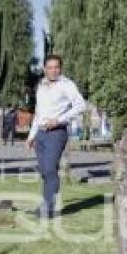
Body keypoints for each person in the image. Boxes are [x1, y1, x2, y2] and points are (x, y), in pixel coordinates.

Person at [26, 55, 86, 219]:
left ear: (60, 68)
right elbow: (38, 113)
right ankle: (46, 205)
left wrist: (59, 120)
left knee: (50, 169)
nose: (53, 70)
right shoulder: (41, 86)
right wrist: (31, 135)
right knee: (45, 171)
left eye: (56, 67)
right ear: (45, 69)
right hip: (41, 134)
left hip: (57, 133)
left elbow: (81, 105)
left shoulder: (67, 85)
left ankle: (48, 208)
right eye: (50, 67)